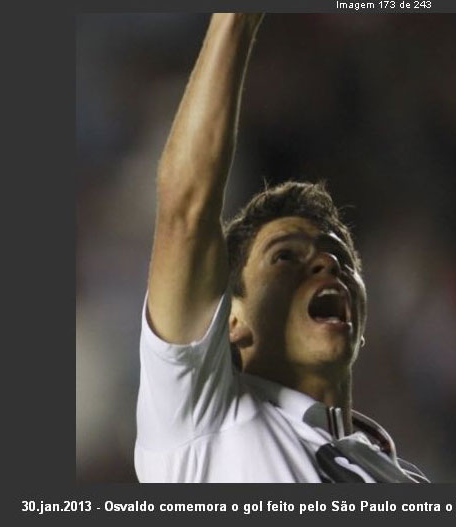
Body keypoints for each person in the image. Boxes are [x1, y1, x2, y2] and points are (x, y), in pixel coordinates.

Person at [135, 13, 428, 483]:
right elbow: (185, 210)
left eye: (342, 258)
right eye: (286, 256)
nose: (327, 262)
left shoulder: (405, 480)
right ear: (231, 321)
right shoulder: (200, 419)